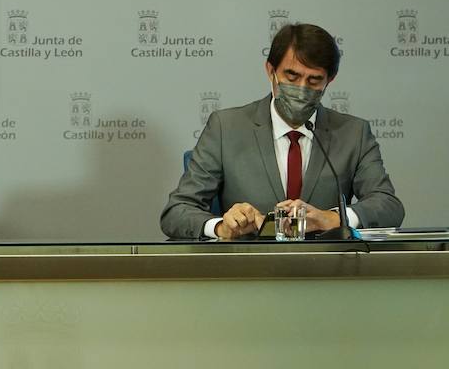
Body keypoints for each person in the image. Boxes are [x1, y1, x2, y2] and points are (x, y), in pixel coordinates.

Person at [161, 23, 402, 240]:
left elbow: (388, 206)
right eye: (292, 75)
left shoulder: (353, 133)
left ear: (330, 80)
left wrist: (333, 218)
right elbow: (177, 211)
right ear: (270, 70)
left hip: (327, 276)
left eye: (314, 80)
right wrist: (221, 227)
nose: (301, 88)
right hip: (249, 275)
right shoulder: (226, 127)